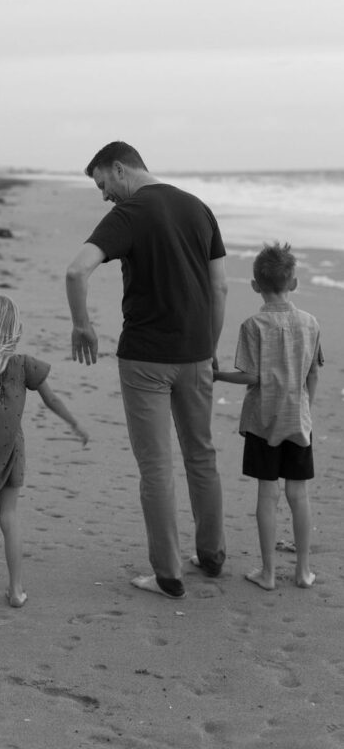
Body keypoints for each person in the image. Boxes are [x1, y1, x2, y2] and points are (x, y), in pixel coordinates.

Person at [65, 140, 227, 599]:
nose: (103, 195)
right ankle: (212, 557)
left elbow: (77, 272)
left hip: (144, 360)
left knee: (156, 466)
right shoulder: (199, 209)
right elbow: (220, 290)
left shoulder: (130, 213)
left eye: (102, 184)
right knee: (202, 455)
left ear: (120, 169)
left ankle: (169, 575)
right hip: (196, 355)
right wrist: (208, 348)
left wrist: (83, 326)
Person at [0, 294, 88, 607]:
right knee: (9, 518)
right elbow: (51, 399)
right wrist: (73, 423)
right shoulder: (23, 365)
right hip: (11, 452)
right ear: (15, 329)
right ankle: (17, 590)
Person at [214, 242, 322, 590]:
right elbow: (313, 374)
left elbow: (251, 376)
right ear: (294, 282)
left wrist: (217, 376)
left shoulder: (252, 325)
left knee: (267, 494)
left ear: (255, 285)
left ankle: (269, 572)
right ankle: (303, 571)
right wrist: (307, 406)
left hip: (263, 421)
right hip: (297, 420)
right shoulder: (311, 322)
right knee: (298, 494)